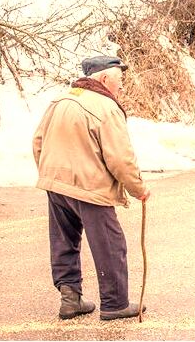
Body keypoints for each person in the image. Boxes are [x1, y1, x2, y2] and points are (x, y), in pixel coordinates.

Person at [33, 56, 150, 321]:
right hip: (89, 187)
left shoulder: (60, 101)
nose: (121, 87)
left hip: (56, 183)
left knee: (64, 242)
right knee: (110, 244)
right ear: (104, 79)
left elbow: (38, 141)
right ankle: (115, 304)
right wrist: (138, 188)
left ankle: (70, 300)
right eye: (119, 81)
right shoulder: (106, 107)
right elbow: (120, 158)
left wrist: (50, 173)